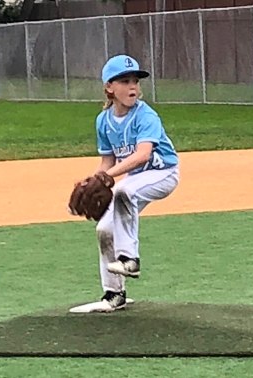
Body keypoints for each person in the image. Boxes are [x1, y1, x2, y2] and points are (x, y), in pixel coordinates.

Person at [80, 54, 180, 312]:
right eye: (124, 81)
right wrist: (93, 181)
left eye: (135, 80)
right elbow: (107, 161)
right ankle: (114, 294)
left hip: (163, 174)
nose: (132, 86)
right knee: (104, 229)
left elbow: (143, 155)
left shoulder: (146, 116)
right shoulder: (103, 120)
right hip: (137, 180)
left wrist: (109, 176)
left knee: (124, 189)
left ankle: (130, 259)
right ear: (109, 87)